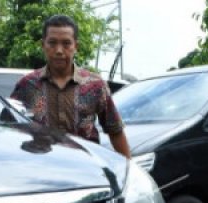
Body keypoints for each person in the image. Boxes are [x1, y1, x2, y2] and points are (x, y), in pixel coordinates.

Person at [11, 14, 131, 158]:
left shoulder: (95, 86)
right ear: (43, 45)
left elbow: (115, 131)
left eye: (66, 43)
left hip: (85, 170)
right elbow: (11, 129)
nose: (59, 50)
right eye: (52, 43)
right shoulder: (27, 85)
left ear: (76, 46)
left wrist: (127, 170)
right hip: (41, 168)